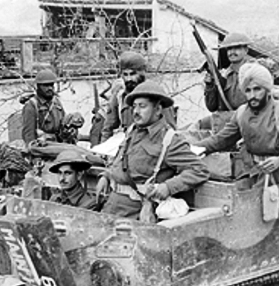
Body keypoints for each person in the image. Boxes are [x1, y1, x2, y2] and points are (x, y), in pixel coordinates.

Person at [98, 82, 209, 219]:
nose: (136, 112)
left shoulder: (169, 140)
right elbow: (120, 162)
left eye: (142, 106)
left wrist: (167, 187)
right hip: (112, 205)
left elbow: (199, 170)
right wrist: (106, 176)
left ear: (157, 110)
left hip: (137, 212)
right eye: (134, 107)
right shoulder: (132, 131)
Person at [195, 63, 279, 185]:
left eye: (257, 89)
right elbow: (220, 140)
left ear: (267, 90)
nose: (252, 96)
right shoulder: (241, 113)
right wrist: (192, 149)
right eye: (248, 90)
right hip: (253, 172)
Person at [100, 51, 176, 143]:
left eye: (132, 74)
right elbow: (108, 129)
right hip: (129, 146)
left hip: (153, 145)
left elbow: (170, 130)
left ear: (142, 73)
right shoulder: (120, 97)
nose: (128, 79)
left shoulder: (156, 94)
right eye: (125, 74)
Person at [202, 32, 254, 133]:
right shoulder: (224, 76)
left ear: (246, 50)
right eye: (229, 49)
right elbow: (211, 106)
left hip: (249, 125)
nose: (232, 52)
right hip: (227, 127)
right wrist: (210, 86)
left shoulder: (253, 73)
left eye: (237, 48)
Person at [21, 69, 66, 145]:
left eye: (51, 85)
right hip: (42, 148)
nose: (50, 88)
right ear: (38, 86)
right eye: (46, 85)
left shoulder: (56, 103)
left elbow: (63, 124)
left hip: (59, 145)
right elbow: (29, 136)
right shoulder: (31, 105)